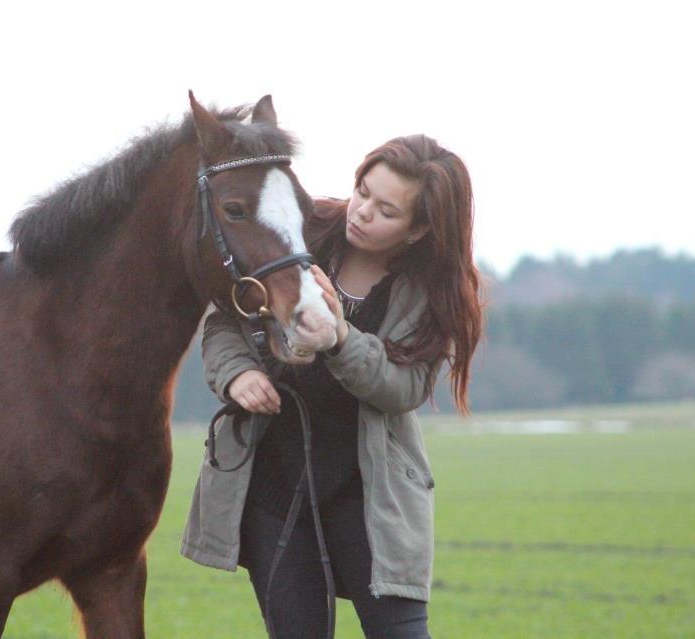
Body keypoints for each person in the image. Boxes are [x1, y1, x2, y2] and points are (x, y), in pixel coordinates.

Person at [181, 134, 483, 638]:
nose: (361, 211)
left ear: (419, 229)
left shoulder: (435, 291)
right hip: (272, 491)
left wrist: (341, 338)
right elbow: (224, 321)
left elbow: (403, 388)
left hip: (371, 499)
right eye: (363, 191)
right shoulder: (300, 229)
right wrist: (239, 373)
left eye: (386, 210)